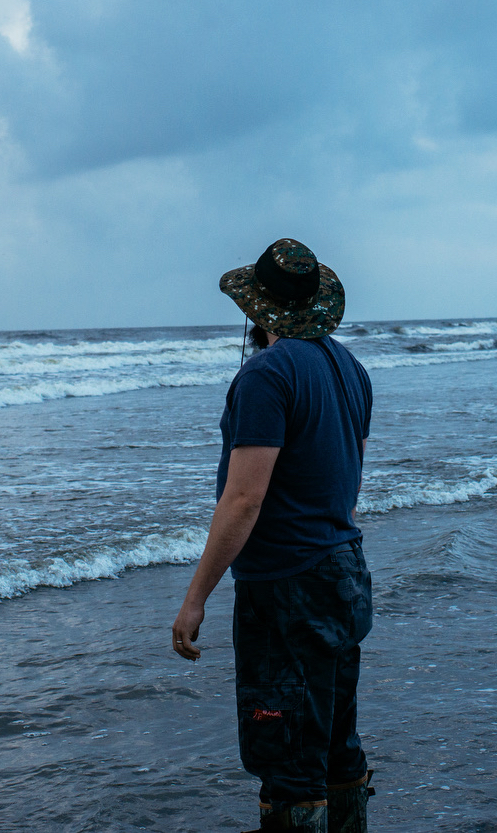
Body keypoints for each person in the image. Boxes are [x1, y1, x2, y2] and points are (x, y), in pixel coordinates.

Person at [171, 238, 376, 832]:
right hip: (345, 572)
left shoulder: (265, 375)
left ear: (255, 311)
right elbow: (348, 475)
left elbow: (244, 498)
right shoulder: (349, 368)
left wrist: (194, 599)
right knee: (337, 745)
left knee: (286, 758)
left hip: (288, 589)